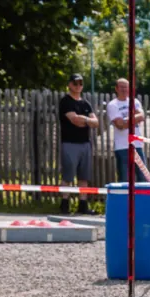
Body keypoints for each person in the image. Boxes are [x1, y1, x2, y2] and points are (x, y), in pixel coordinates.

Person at [58, 73, 98, 215]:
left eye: (81, 83)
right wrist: (87, 120)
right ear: (69, 85)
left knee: (84, 177)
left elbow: (96, 122)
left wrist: (84, 120)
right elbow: (74, 119)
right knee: (68, 176)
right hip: (69, 143)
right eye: (75, 83)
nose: (78, 86)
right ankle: (64, 204)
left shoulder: (86, 103)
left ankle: (83, 205)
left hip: (85, 144)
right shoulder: (66, 102)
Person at [106, 78, 146, 182]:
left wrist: (125, 120)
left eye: (126, 87)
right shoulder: (113, 104)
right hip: (122, 147)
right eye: (121, 87)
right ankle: (124, 199)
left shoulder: (135, 101)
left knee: (142, 178)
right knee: (124, 179)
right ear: (116, 89)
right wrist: (133, 118)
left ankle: (142, 198)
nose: (124, 89)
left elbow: (142, 116)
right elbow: (119, 125)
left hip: (137, 145)